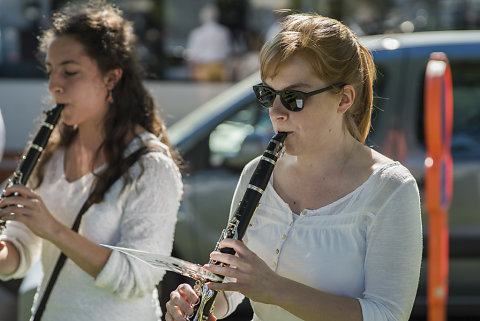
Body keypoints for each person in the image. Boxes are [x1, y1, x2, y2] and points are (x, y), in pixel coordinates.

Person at [165, 12, 422, 321]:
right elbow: (231, 287)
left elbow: (389, 315)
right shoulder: (256, 173)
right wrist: (199, 305)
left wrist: (274, 289)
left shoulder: (390, 188)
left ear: (344, 100)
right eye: (268, 94)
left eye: (293, 98)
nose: (275, 113)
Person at [0, 2, 182, 320]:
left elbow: (138, 278)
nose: (54, 84)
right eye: (51, 71)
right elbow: (20, 253)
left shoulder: (151, 166)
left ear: (111, 78)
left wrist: (53, 229)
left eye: (69, 71)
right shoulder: (49, 157)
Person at [185, 4, 232, 82]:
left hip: (204, 69)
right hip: (219, 68)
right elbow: (228, 53)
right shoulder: (224, 32)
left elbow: (192, 56)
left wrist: (193, 70)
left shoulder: (197, 33)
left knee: (205, 93)